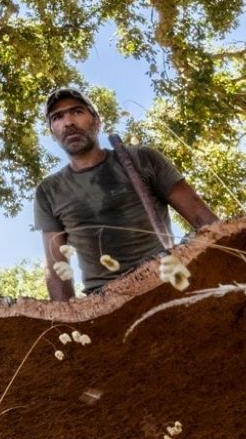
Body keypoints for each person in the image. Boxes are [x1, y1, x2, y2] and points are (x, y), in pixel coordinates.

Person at [34, 87, 219, 300]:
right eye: (57, 117)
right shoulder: (48, 191)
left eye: (77, 112)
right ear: (52, 132)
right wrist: (64, 324)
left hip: (168, 282)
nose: (68, 122)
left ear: (96, 121)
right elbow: (56, 266)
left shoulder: (142, 159)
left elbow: (203, 219)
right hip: (103, 300)